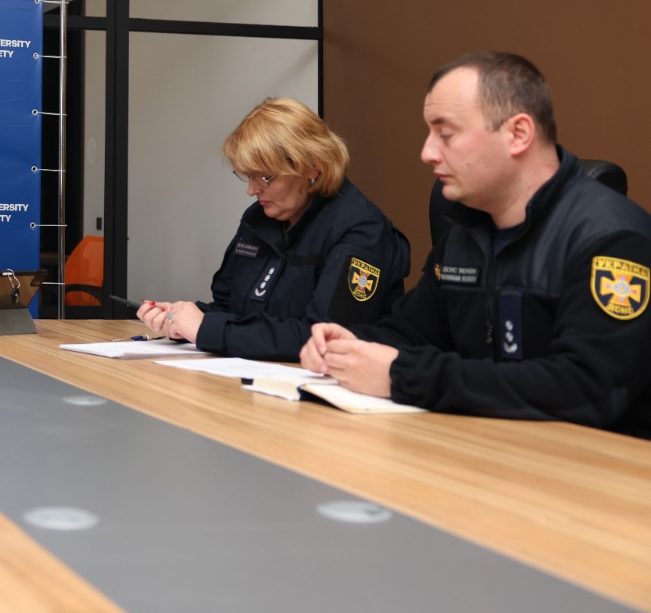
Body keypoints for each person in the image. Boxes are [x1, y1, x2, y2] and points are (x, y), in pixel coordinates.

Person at [300, 52, 651, 438]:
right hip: (491, 447)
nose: (427, 152)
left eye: (445, 134)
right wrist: (350, 346)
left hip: (596, 462)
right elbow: (412, 333)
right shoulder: (467, 231)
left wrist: (402, 375)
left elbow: (586, 389)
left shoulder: (612, 238)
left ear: (518, 134)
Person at [139, 98, 409, 360]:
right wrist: (180, 319)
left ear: (312, 168)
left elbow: (324, 338)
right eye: (248, 175)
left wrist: (206, 329)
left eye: (264, 177)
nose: (251, 190)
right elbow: (230, 311)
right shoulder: (260, 218)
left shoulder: (361, 230)